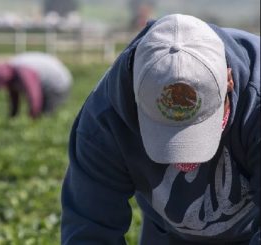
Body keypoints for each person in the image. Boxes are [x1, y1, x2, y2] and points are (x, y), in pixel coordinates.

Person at [61, 14, 260, 245]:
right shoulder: (104, 123)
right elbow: (89, 230)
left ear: (229, 80)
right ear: (135, 93)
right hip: (167, 234)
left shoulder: (256, 103)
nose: (184, 163)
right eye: (167, 134)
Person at [0, 52, 72, 118]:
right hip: (44, 82)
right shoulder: (11, 70)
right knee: (41, 113)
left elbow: (34, 95)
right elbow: (13, 94)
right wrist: (13, 115)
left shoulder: (23, 72)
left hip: (58, 84)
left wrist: (32, 118)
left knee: (46, 114)